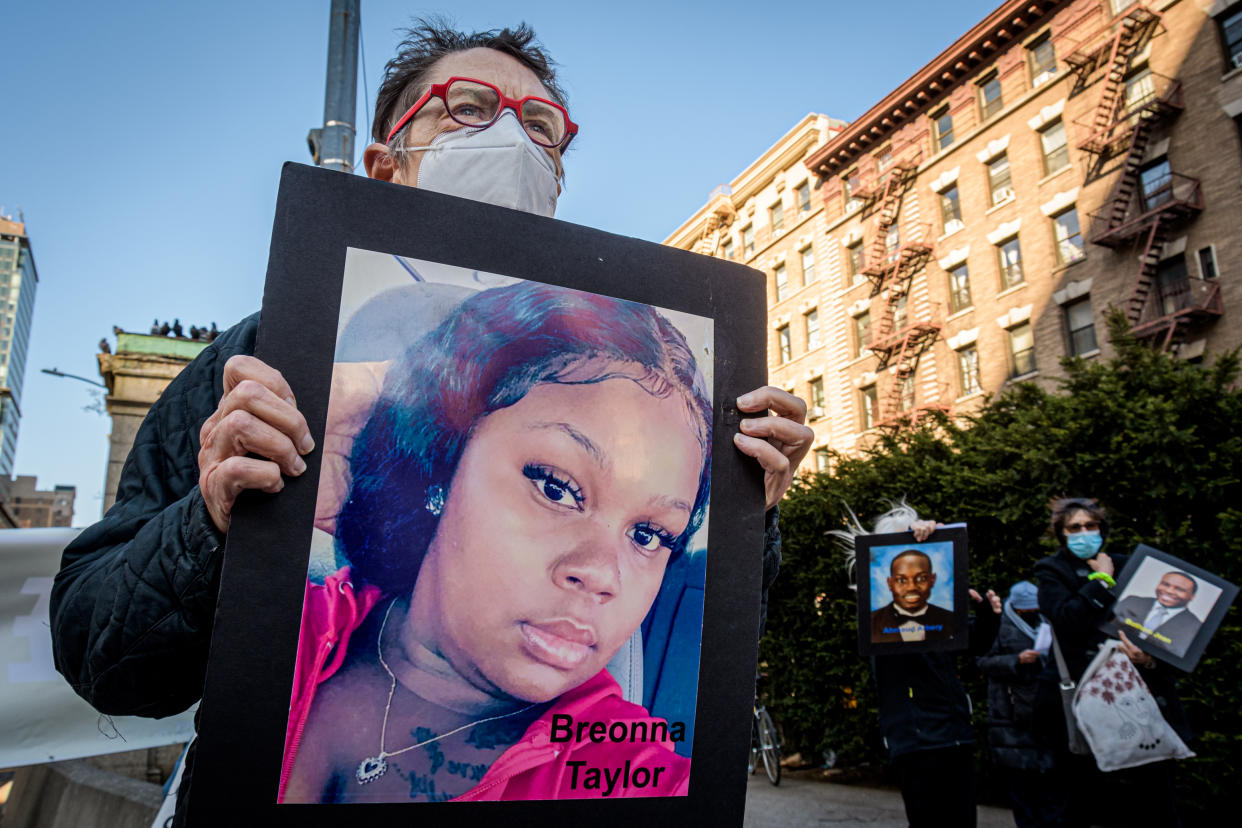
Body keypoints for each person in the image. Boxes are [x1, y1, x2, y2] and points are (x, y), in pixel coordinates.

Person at [48, 20, 814, 824]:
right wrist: (212, 525)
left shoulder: (631, 756)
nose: (512, 137)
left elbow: (711, 656)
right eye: (468, 108)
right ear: (385, 164)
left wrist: (744, 512)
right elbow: (108, 663)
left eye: (541, 127)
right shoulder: (269, 355)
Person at [282, 281, 710, 802]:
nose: (602, 574)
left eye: (649, 534)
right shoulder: (284, 625)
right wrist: (264, 510)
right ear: (441, 461)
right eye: (557, 488)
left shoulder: (637, 778)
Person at [831, 502, 1001, 828]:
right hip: (911, 739)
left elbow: (973, 644)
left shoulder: (941, 613)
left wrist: (988, 617)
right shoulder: (876, 617)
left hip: (953, 734)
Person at [1033, 498, 1189, 828]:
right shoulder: (1051, 571)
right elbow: (1066, 618)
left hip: (1139, 703)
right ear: (1061, 533)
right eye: (1074, 527)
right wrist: (1102, 581)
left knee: (1155, 801)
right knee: (1081, 801)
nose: (1084, 533)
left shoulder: (1131, 566)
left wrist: (1147, 659)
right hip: (1085, 701)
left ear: (1102, 530)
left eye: (1091, 526)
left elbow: (1159, 635)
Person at [976, 581, 1061, 827]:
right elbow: (982, 662)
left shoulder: (1048, 622)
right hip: (1011, 716)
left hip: (1045, 712)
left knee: (1050, 785)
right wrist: (1017, 660)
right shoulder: (999, 626)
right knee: (1023, 787)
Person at [1111, 569, 1203, 659]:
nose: (1169, 591)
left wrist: (1147, 661)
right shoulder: (1132, 601)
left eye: (1180, 589)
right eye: (1166, 584)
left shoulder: (1194, 627)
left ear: (1192, 597)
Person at [869, 548, 955, 643]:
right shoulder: (870, 622)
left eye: (921, 578)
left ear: (932, 580)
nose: (911, 587)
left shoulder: (952, 619)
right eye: (901, 580)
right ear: (890, 584)